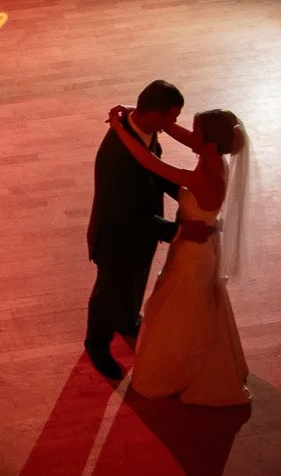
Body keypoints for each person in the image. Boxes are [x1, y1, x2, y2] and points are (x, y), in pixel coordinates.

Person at [106, 104, 254, 406]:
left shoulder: (206, 178)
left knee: (175, 308)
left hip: (192, 255)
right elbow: (177, 133)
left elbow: (150, 163)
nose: (189, 134)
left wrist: (119, 128)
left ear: (210, 142)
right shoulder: (214, 156)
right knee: (187, 305)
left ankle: (172, 370)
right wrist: (142, 115)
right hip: (196, 248)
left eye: (195, 131)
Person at [85, 80, 214, 380]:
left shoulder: (138, 129)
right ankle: (96, 346)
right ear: (156, 116)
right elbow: (128, 213)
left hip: (138, 235)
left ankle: (127, 321)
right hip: (116, 237)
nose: (174, 124)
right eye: (172, 118)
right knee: (108, 292)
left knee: (134, 281)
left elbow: (155, 171)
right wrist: (178, 230)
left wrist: (187, 196)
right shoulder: (120, 156)